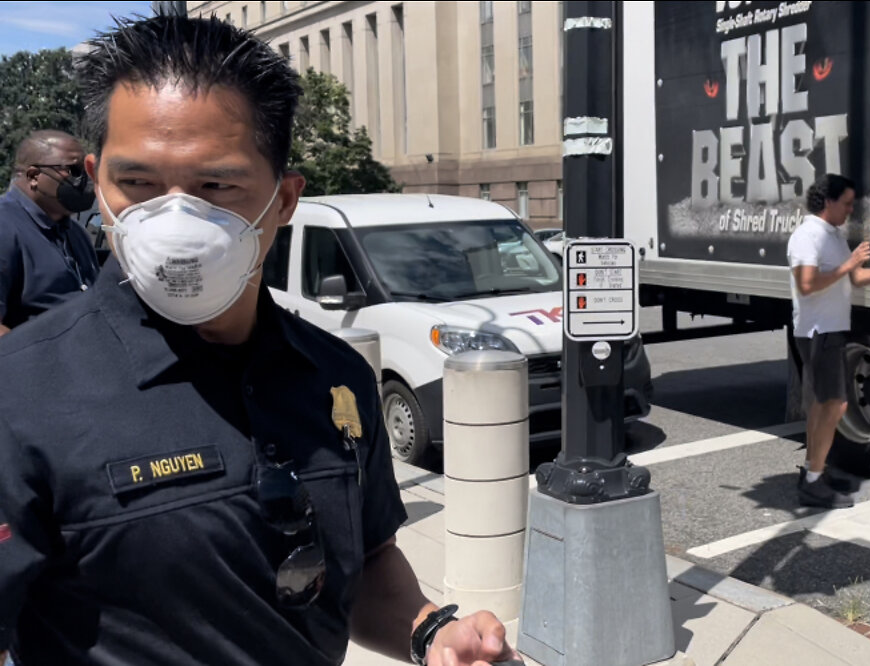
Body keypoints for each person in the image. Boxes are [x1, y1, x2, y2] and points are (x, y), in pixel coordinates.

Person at [0, 15, 518, 666]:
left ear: (285, 198)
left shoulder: (337, 377)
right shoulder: (19, 394)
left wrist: (430, 632)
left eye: (217, 186)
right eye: (137, 185)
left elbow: (369, 559)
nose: (174, 221)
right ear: (96, 181)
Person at [787, 174, 870, 508]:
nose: (849, 210)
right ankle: (813, 481)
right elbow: (807, 285)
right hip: (817, 331)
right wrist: (849, 263)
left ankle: (814, 473)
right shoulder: (807, 236)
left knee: (821, 404)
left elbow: (856, 278)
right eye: (845, 203)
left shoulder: (834, 235)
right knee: (836, 404)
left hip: (831, 329)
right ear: (827, 202)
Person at [0, 130, 100, 336]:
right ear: (34, 176)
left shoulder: (76, 234)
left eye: (85, 171)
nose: (83, 179)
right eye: (73, 170)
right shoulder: (5, 227)